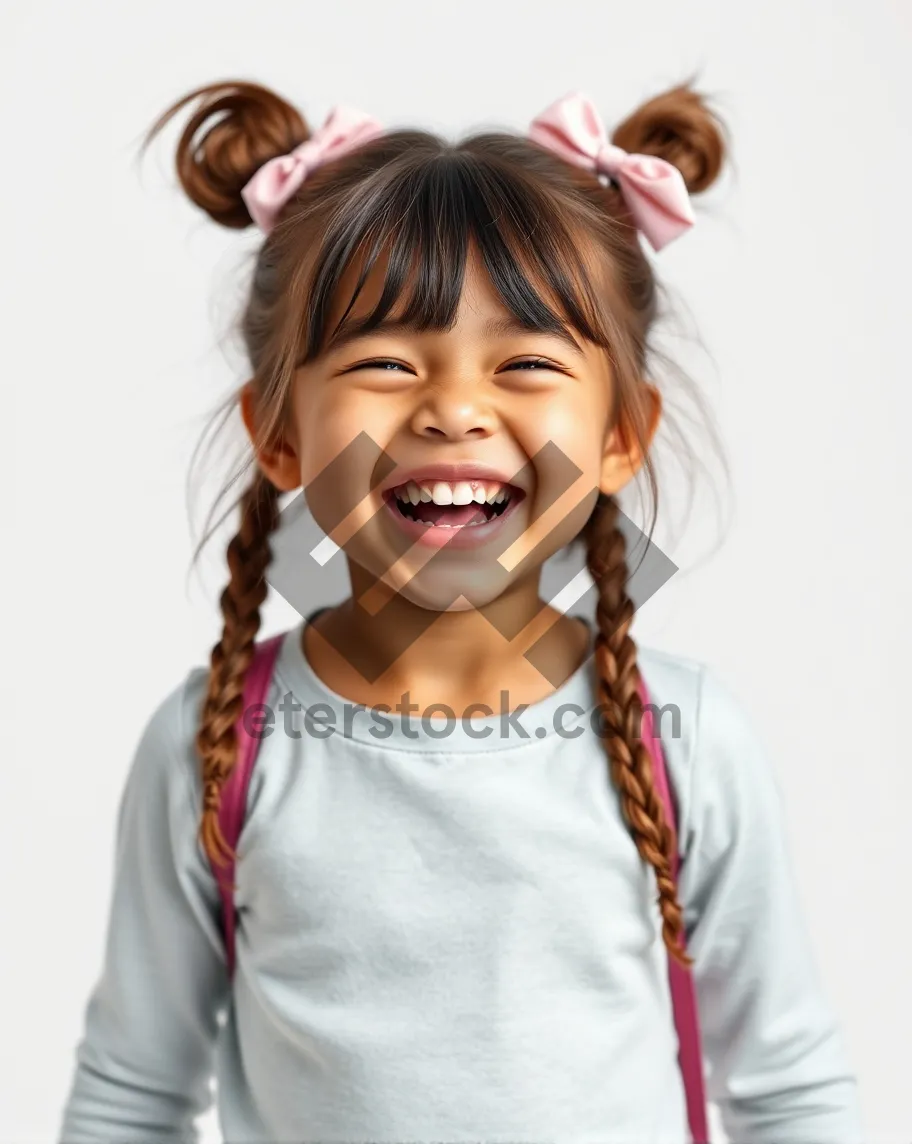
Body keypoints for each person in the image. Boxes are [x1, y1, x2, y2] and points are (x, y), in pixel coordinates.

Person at [58, 79, 862, 1143]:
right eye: (385, 363)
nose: (453, 408)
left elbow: (793, 1093)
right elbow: (130, 1095)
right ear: (281, 430)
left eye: (527, 363)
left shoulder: (693, 746)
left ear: (622, 431)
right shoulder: (214, 751)